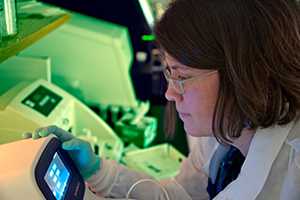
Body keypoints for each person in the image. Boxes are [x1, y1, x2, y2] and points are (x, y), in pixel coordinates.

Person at [31, 0, 300, 199]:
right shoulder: (222, 136)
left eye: (181, 76)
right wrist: (99, 171)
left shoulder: (292, 175)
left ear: (244, 74)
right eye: (169, 73)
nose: (170, 94)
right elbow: (181, 194)